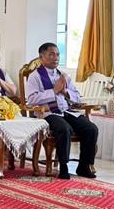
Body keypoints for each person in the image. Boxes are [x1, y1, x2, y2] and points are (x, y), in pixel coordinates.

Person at [26, 43, 98, 179]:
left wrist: (65, 91)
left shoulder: (63, 76)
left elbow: (77, 96)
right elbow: (32, 99)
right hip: (48, 114)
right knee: (64, 128)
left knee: (91, 128)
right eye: (51, 55)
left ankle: (84, 166)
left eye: (58, 54)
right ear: (41, 57)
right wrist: (53, 91)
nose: (56, 58)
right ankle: (63, 166)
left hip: (66, 111)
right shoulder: (35, 76)